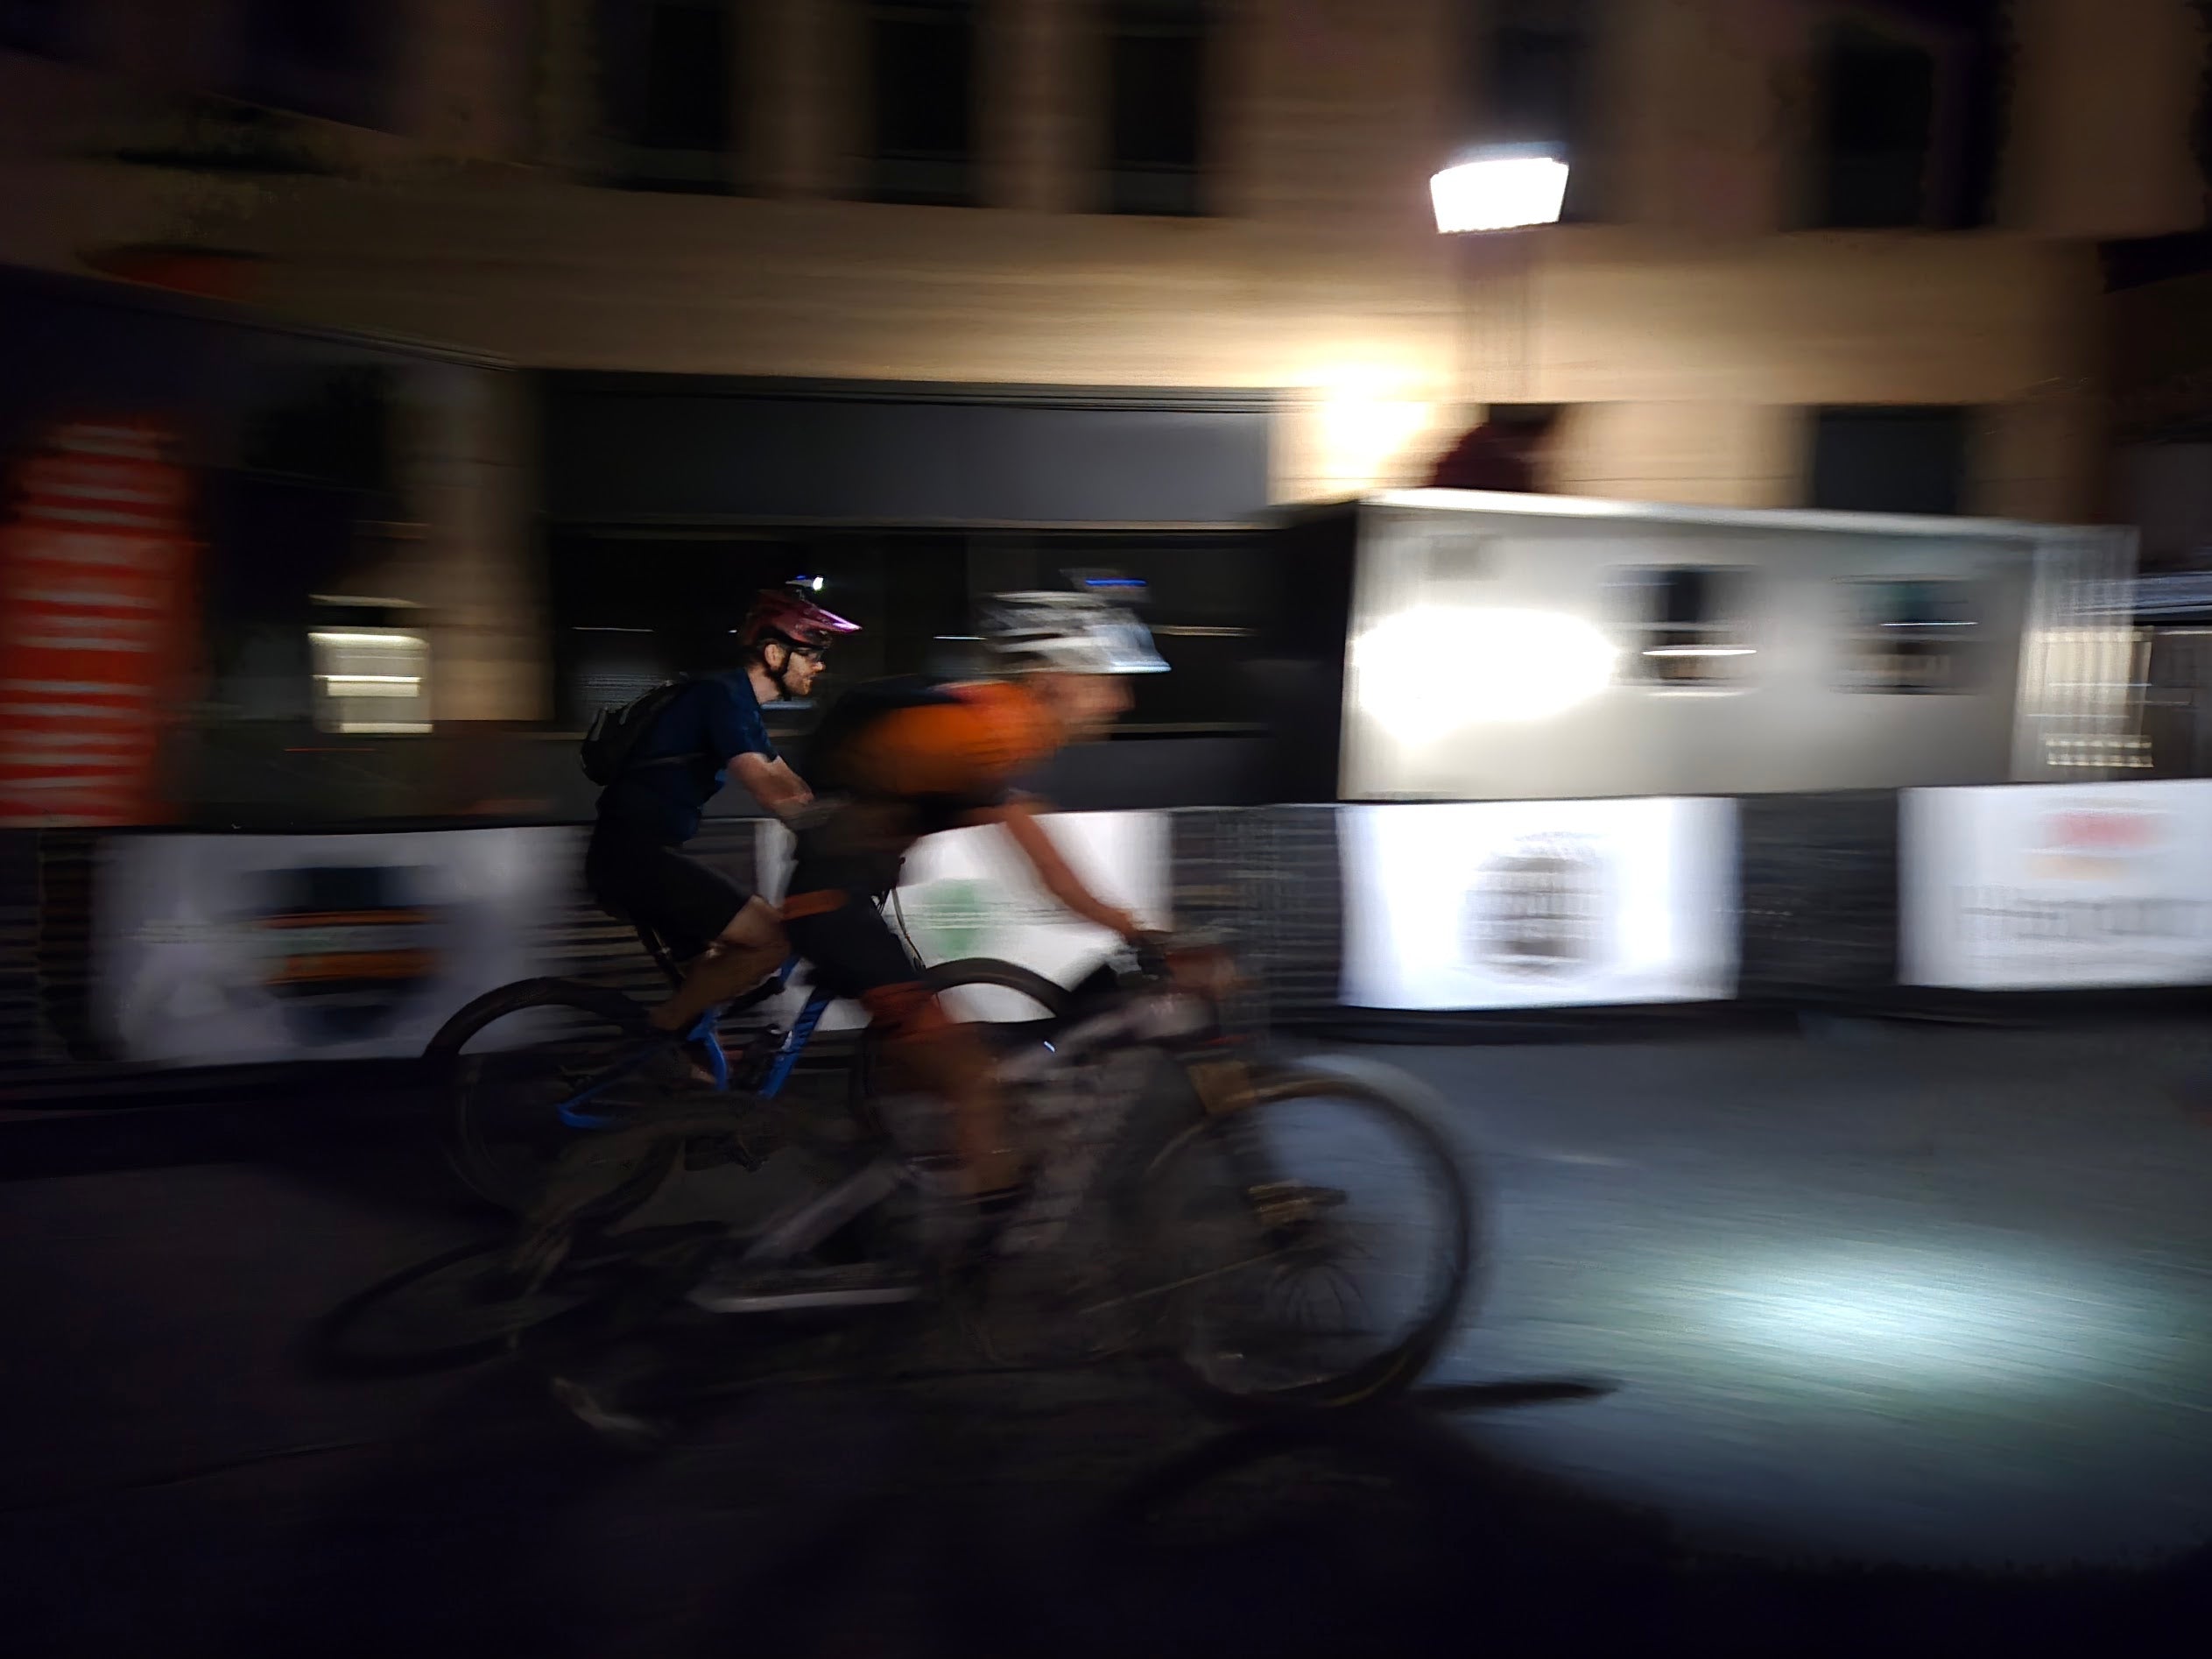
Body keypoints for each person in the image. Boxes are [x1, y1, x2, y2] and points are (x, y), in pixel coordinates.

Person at [779, 590, 1165, 1218]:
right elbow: (1048, 870)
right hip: (831, 909)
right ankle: (977, 1275)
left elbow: (1028, 838)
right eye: (1104, 681)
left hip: (845, 902)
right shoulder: (988, 727)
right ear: (1050, 682)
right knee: (970, 1076)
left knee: (944, 1061)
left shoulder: (990, 727)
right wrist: (1148, 933)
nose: (1120, 699)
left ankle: (874, 1170)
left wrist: (1128, 926)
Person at [585, 585, 858, 1084]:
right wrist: (838, 835)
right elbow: (764, 785)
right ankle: (658, 1034)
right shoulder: (721, 695)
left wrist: (838, 816)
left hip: (638, 857)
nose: (819, 665)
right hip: (634, 860)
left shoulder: (739, 704)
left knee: (710, 975)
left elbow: (786, 780)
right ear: (775, 653)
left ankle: (693, 1088)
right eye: (812, 652)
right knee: (772, 939)